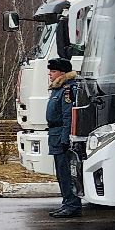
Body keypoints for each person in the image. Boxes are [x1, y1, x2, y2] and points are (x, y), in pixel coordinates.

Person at [45, 56, 87, 218]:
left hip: (62, 136)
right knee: (61, 173)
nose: (50, 74)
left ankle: (72, 204)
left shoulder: (68, 89)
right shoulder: (58, 88)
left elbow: (68, 116)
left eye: (53, 71)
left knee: (67, 173)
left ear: (63, 73)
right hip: (55, 134)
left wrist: (65, 139)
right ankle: (67, 202)